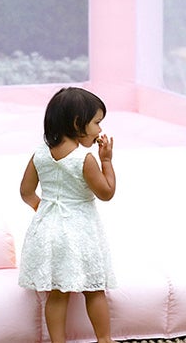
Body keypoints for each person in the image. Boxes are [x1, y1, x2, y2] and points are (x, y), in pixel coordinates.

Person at [18, 87, 117, 343]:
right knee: (94, 289)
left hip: (49, 233)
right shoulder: (84, 159)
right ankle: (104, 340)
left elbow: (26, 192)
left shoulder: (39, 154)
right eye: (96, 122)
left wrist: (46, 212)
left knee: (58, 293)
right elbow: (106, 193)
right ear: (77, 123)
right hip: (80, 232)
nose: (99, 130)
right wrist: (106, 160)